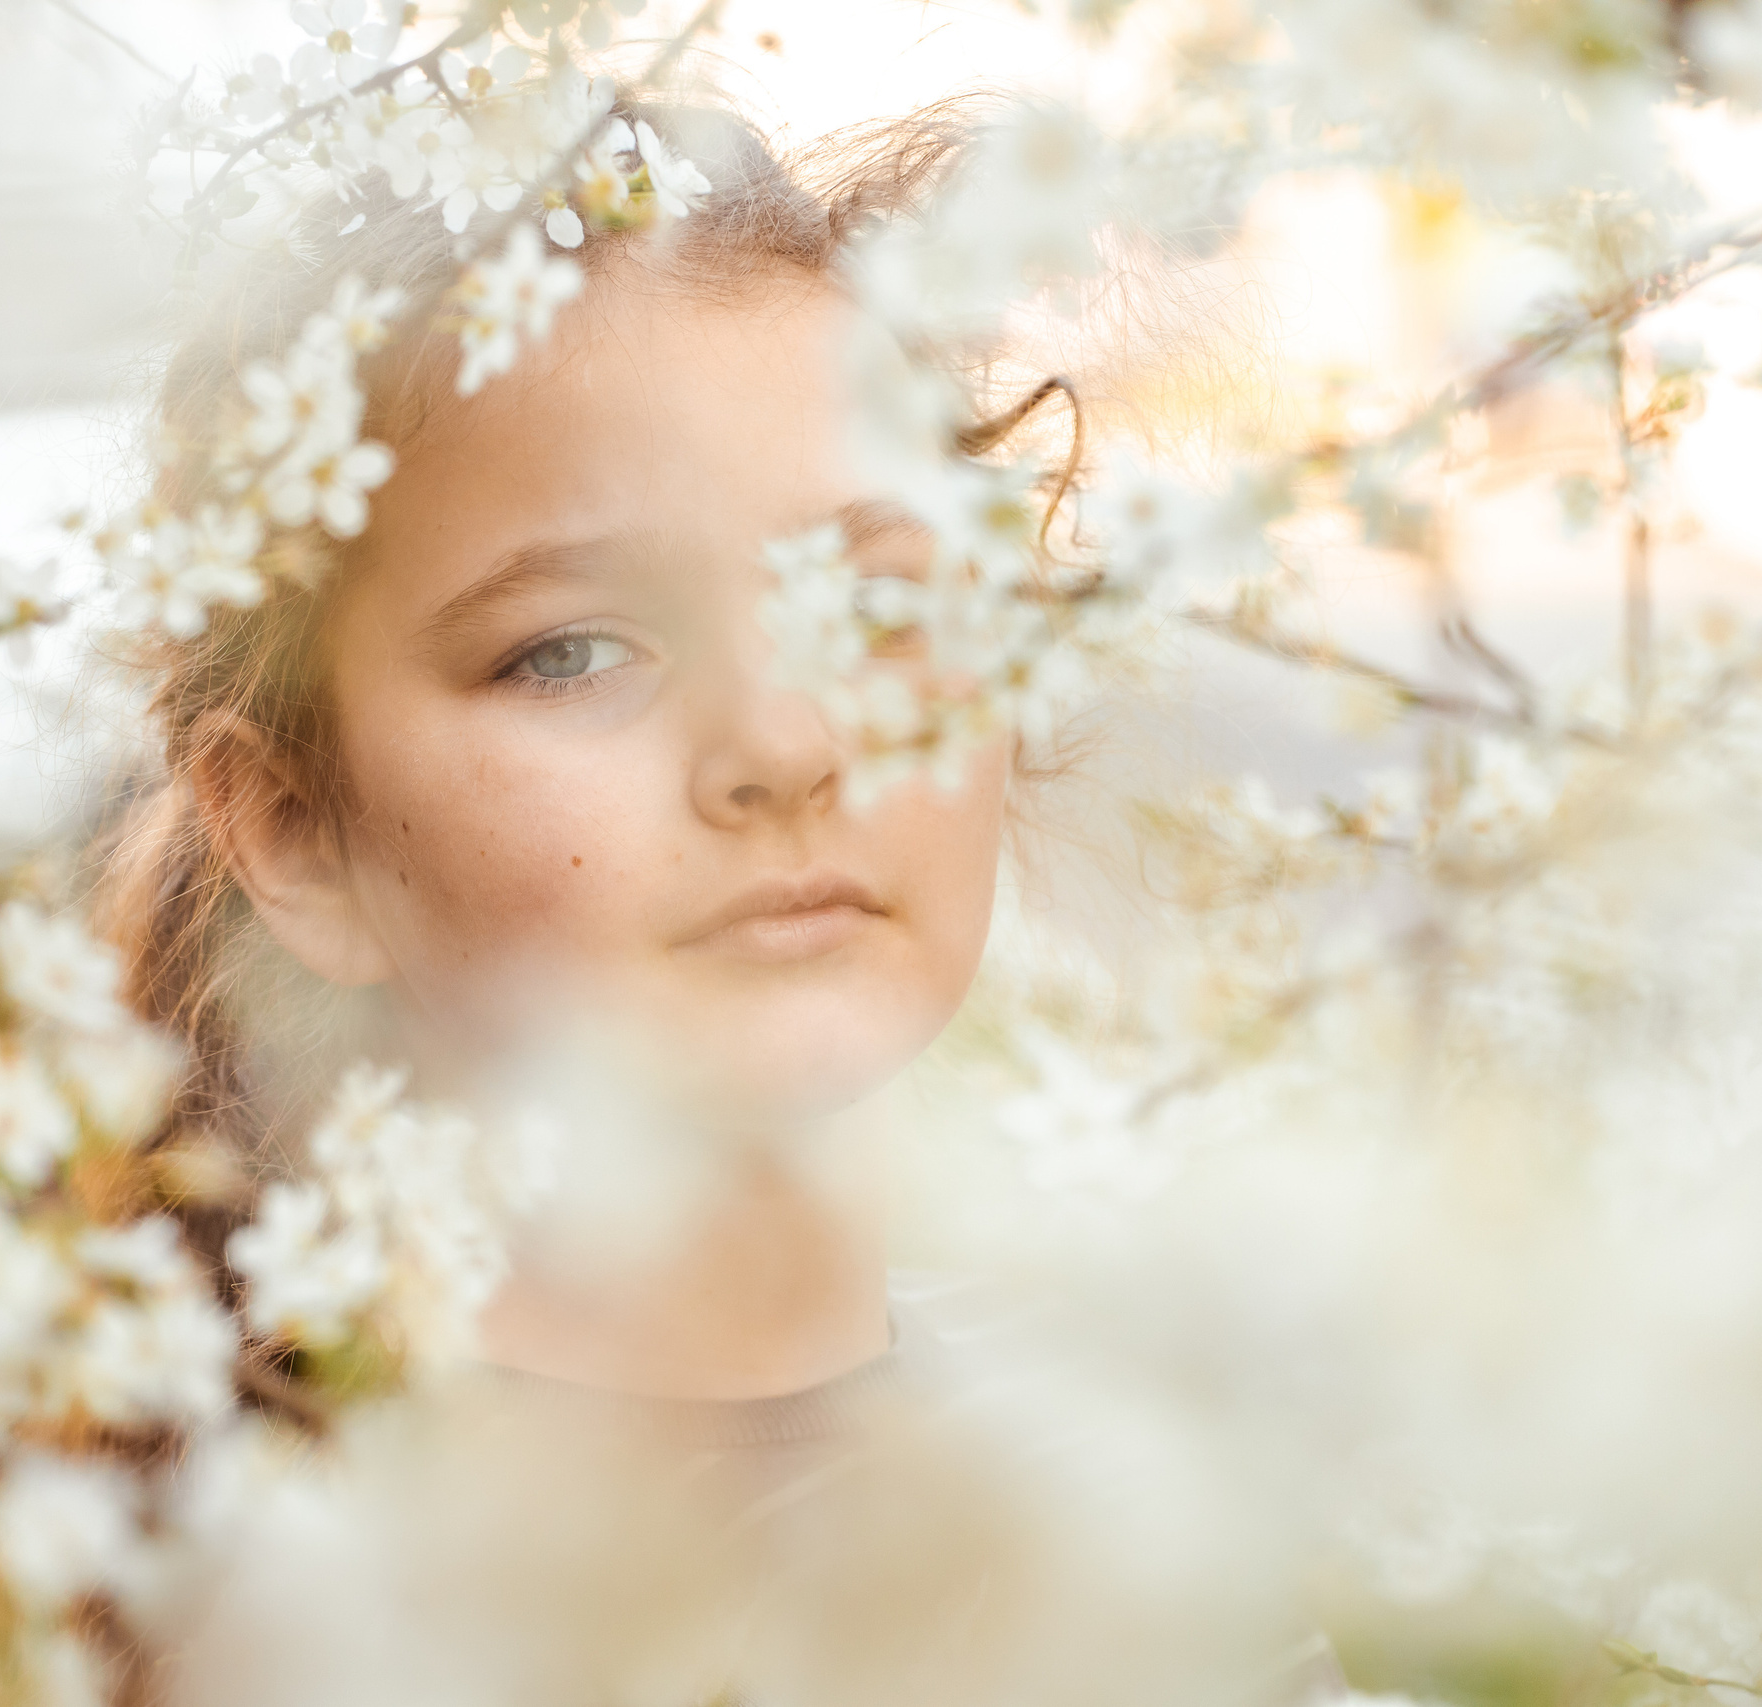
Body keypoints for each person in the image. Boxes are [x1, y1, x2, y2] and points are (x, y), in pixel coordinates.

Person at [100, 84, 1343, 1707]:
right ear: (292, 834)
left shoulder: (1137, 1528)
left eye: (874, 605)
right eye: (576, 650)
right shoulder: (249, 1617)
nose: (783, 740)